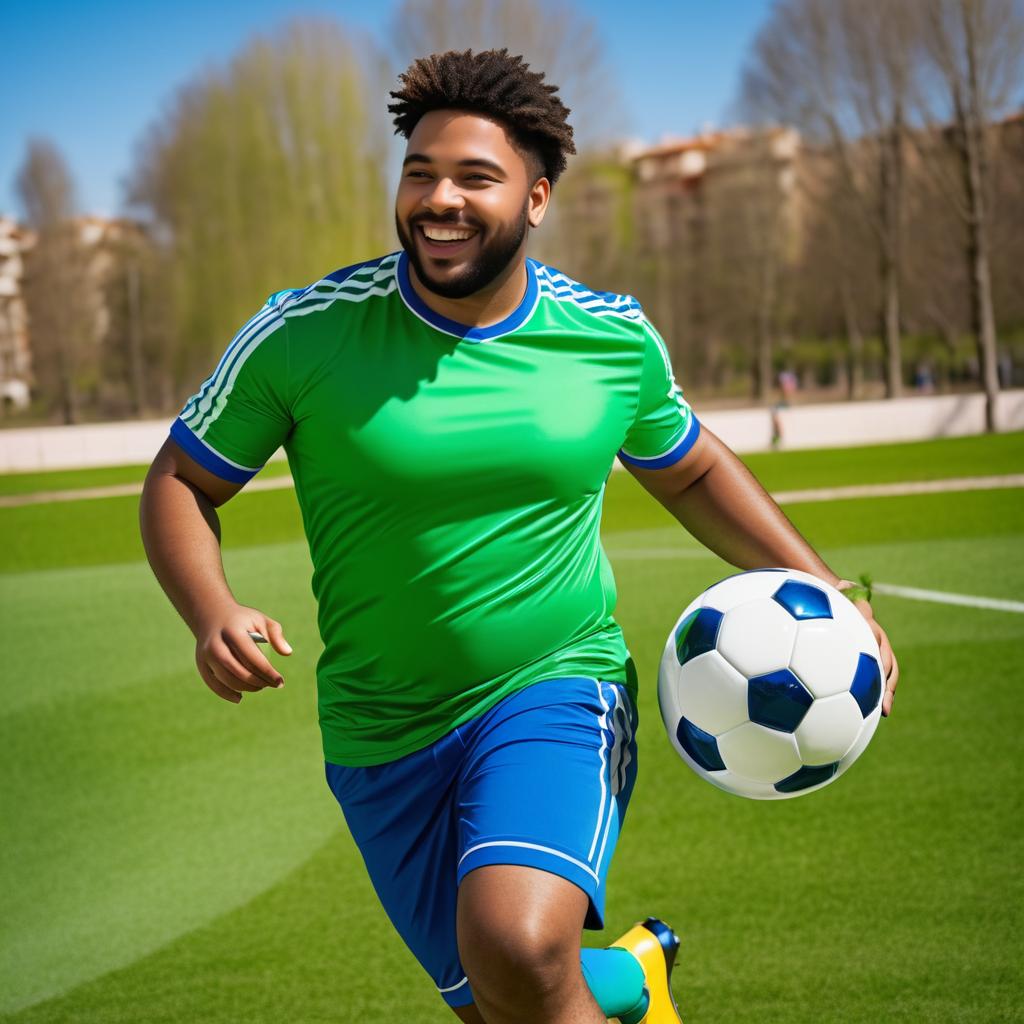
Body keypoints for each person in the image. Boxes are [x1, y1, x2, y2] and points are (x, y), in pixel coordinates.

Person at [139, 48, 898, 1024]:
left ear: (536, 197)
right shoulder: (304, 332)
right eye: (419, 173)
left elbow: (693, 466)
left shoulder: (609, 338)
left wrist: (827, 588)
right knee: (504, 997)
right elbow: (182, 478)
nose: (438, 199)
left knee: (517, 941)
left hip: (554, 684)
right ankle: (632, 981)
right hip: (381, 731)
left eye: (474, 178)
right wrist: (210, 610)